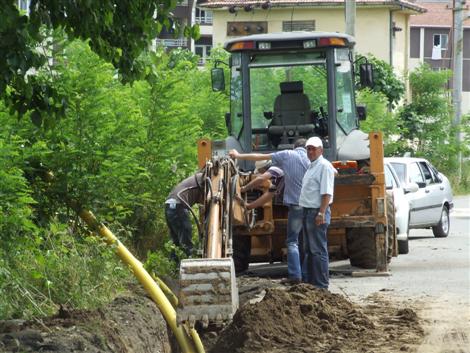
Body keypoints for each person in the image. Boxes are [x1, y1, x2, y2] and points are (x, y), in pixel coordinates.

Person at [229, 138, 310, 284]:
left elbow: (261, 176)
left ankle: (295, 276)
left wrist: (243, 188)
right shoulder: (313, 159)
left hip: (296, 206)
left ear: (294, 147)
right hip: (312, 207)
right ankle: (307, 275)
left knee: (292, 242)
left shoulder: (282, 162)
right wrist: (249, 206)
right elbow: (270, 193)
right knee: (305, 241)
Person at [299, 136, 335, 289]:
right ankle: (311, 284)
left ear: (321, 150)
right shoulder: (312, 165)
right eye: (308, 149)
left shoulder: (324, 166)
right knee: (309, 249)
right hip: (308, 212)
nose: (311, 151)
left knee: (318, 250)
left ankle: (321, 286)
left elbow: (326, 193)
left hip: (316, 212)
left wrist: (321, 213)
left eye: (313, 148)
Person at [165, 172, 204, 258]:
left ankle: (174, 267)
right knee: (186, 241)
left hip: (169, 205)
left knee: (176, 242)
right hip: (179, 206)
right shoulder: (205, 179)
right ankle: (189, 263)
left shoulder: (197, 179)